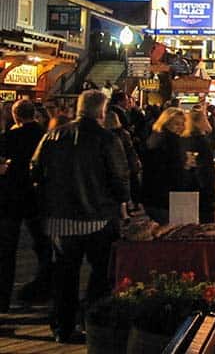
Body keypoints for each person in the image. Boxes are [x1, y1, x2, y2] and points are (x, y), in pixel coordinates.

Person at [30, 90, 130, 344]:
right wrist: (122, 202)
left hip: (60, 220)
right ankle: (93, 321)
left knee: (65, 275)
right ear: (101, 111)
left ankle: (62, 328)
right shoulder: (106, 139)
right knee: (101, 272)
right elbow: (119, 178)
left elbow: (35, 170)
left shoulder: (53, 135)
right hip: (97, 217)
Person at [0, 100, 52, 311]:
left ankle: (3, 298)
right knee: (44, 248)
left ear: (16, 116)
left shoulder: (9, 137)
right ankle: (44, 287)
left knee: (6, 252)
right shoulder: (45, 136)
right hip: (37, 198)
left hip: (11, 198)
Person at [141, 107, 187, 224]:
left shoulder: (154, 139)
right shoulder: (173, 142)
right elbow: (176, 174)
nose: (181, 127)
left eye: (183, 124)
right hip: (169, 199)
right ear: (166, 124)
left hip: (152, 198)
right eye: (176, 124)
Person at [181, 109, 215, 223]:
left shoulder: (182, 140)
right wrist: (211, 192)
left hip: (183, 188)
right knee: (204, 229)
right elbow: (208, 169)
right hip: (200, 189)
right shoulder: (202, 142)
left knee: (182, 229)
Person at [105, 107, 142, 212]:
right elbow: (130, 150)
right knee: (128, 185)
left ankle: (124, 209)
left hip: (117, 164)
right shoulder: (123, 133)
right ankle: (130, 205)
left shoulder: (105, 136)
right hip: (126, 163)